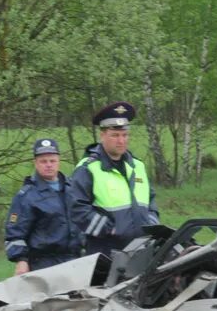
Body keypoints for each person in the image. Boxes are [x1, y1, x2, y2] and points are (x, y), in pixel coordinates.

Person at [68, 101, 159, 257]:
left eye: (124, 135)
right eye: (115, 135)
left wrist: (150, 224)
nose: (121, 141)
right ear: (102, 135)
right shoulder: (88, 168)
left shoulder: (137, 166)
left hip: (141, 249)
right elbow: (77, 209)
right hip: (106, 252)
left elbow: (150, 201)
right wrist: (111, 229)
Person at [4, 139, 82, 275]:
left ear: (59, 161)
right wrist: (21, 260)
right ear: (35, 163)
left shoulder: (73, 189)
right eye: (43, 161)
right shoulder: (26, 196)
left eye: (52, 161)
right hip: (43, 264)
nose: (49, 165)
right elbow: (14, 234)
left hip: (76, 260)